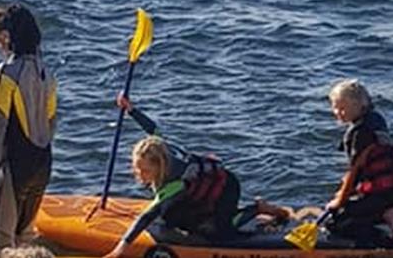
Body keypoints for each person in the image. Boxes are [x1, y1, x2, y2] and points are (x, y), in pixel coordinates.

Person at [100, 97, 289, 257]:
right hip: (203, 190)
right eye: (137, 169)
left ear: (160, 166)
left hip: (225, 187)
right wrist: (131, 109)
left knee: (221, 234)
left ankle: (257, 208)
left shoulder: (175, 183)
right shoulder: (159, 147)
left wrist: (119, 250)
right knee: (169, 215)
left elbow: (146, 217)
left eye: (145, 171)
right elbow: (152, 129)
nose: (140, 175)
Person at [0, 3, 56, 258]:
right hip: (43, 164)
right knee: (24, 239)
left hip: (14, 167)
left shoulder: (5, 74)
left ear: (6, 36)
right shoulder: (48, 74)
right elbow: (51, 123)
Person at [325, 79, 393, 240]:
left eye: (342, 108)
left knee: (336, 223)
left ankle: (383, 232)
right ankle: (392, 210)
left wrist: (339, 202)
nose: (337, 112)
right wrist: (342, 194)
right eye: (335, 107)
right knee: (353, 206)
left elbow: (355, 171)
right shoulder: (376, 119)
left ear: (359, 106)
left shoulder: (360, 134)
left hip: (383, 195)